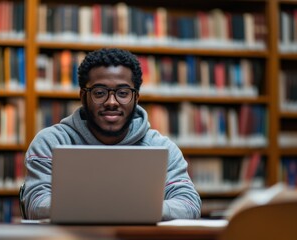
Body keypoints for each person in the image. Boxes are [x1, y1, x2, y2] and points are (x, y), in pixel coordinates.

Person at [22, 48, 201, 220]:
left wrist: (136, 210)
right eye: (100, 92)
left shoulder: (161, 148)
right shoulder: (51, 142)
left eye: (123, 93)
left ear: (136, 98)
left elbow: (189, 204)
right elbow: (37, 204)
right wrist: (119, 209)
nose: (112, 102)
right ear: (83, 97)